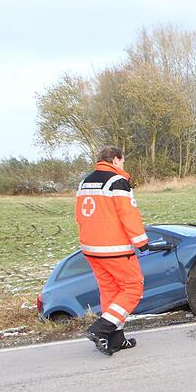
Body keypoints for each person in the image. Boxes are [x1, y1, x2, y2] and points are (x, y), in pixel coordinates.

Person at [74, 146, 149, 355]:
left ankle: (116, 339)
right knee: (133, 288)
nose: (123, 165)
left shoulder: (84, 182)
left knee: (111, 292)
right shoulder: (117, 182)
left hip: (90, 248)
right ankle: (101, 329)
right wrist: (141, 241)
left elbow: (79, 215)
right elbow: (128, 214)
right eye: (122, 161)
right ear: (116, 160)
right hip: (114, 248)